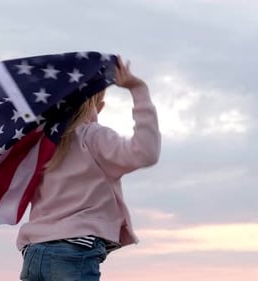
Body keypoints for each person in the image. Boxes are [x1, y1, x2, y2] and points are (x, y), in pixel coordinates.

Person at [17, 56, 161, 281]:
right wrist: (138, 89)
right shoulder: (93, 136)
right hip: (73, 251)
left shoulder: (39, 145)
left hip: (33, 253)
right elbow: (146, 153)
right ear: (99, 106)